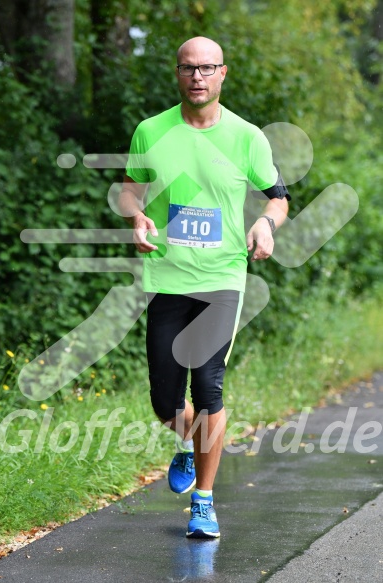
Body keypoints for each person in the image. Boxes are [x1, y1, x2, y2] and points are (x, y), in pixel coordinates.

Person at [119, 36, 290, 538]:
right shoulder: (151, 132)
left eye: (207, 68)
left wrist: (265, 225)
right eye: (189, 68)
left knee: (209, 384)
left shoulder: (247, 137)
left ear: (223, 73)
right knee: (164, 402)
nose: (198, 76)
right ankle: (187, 443)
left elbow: (276, 197)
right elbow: (131, 190)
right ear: (178, 73)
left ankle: (204, 502)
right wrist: (136, 218)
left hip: (221, 279)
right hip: (167, 278)